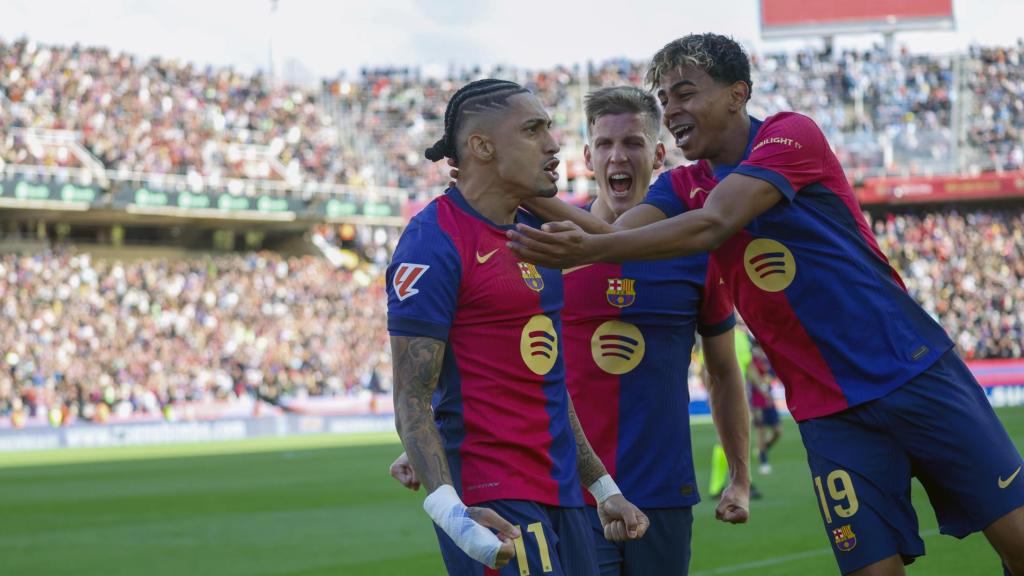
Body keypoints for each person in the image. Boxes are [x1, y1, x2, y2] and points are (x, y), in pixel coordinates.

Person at [506, 34, 1024, 576]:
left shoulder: (789, 135)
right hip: (828, 412)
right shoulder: (682, 186)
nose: (673, 108)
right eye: (665, 99)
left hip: (913, 370)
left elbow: (714, 223)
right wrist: (514, 186)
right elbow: (612, 231)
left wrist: (589, 248)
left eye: (685, 93)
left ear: (737, 94)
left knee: (1017, 540)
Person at [386, 78, 648, 576]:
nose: (552, 145)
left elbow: (548, 382)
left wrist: (602, 488)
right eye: (532, 131)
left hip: (565, 495)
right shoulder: (433, 241)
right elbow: (412, 396)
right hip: (494, 501)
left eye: (548, 129)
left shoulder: (534, 237)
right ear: (482, 146)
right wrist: (452, 513)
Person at [748, 342, 781, 475]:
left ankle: (762, 450)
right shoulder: (752, 360)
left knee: (777, 431)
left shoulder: (767, 359)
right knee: (761, 430)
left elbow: (772, 375)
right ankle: (763, 461)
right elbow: (751, 376)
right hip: (756, 400)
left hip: (768, 399)